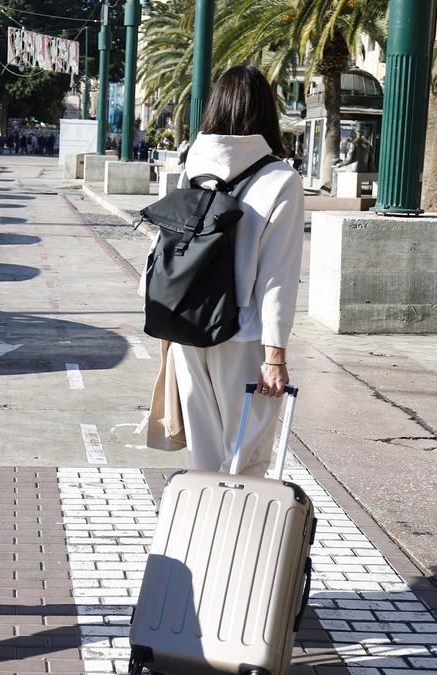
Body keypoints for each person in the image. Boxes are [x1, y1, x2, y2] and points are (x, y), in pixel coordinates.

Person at [145, 64, 305, 476]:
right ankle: (242, 537)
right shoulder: (281, 179)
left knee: (206, 452)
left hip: (188, 327)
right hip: (243, 333)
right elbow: (277, 278)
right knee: (246, 456)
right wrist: (275, 357)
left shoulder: (192, 165)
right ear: (266, 113)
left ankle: (205, 534)